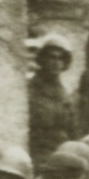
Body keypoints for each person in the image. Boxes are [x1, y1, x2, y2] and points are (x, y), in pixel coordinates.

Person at [28, 33, 77, 164]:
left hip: (62, 155)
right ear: (42, 59)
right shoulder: (30, 90)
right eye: (51, 57)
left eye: (61, 58)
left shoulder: (65, 95)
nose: (56, 62)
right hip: (37, 154)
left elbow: (72, 130)